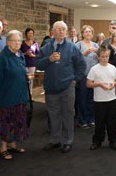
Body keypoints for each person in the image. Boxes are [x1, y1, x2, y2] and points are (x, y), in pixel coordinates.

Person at [36, 21, 86, 154]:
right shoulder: (46, 47)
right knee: (53, 116)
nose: (61, 31)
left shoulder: (72, 47)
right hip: (51, 88)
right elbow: (38, 64)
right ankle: (55, 140)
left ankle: (67, 141)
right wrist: (49, 60)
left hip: (67, 87)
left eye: (63, 29)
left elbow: (81, 65)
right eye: (58, 29)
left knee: (68, 115)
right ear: (52, 31)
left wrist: (75, 79)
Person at [0, 30, 29, 160]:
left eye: (19, 40)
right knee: (6, 122)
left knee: (17, 121)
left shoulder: (20, 55)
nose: (17, 43)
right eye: (14, 40)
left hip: (20, 95)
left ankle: (12, 144)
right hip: (7, 96)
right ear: (8, 42)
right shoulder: (2, 57)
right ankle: (3, 147)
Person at [87, 46, 116, 151]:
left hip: (111, 99)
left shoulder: (112, 68)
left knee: (112, 122)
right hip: (99, 100)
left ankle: (113, 141)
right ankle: (97, 141)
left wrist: (113, 84)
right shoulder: (94, 69)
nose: (105, 58)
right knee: (99, 122)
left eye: (106, 56)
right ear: (98, 57)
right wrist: (99, 84)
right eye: (102, 57)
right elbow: (88, 84)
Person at [75, 25, 99, 129]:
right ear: (82, 33)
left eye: (90, 32)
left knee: (92, 99)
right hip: (83, 76)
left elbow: (100, 58)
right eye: (86, 32)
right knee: (82, 99)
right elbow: (74, 59)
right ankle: (82, 120)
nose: (88, 33)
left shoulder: (95, 45)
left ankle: (91, 119)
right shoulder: (78, 45)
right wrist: (84, 53)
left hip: (94, 77)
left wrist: (98, 52)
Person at [20, 28, 40, 97]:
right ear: (26, 34)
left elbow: (38, 54)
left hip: (32, 64)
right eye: (29, 33)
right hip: (23, 64)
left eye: (31, 33)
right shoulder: (22, 43)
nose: (30, 35)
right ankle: (24, 94)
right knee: (24, 79)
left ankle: (30, 94)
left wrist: (33, 55)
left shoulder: (35, 44)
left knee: (31, 79)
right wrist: (25, 53)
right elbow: (18, 54)